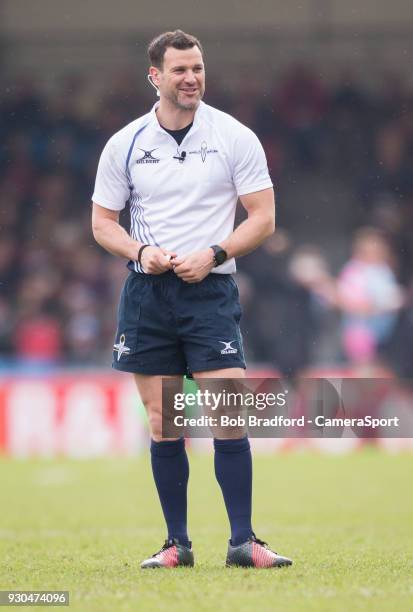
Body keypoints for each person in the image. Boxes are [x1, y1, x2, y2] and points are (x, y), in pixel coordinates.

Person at [92, 30, 292, 570]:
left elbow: (264, 219)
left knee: (228, 411)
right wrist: (140, 252)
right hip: (148, 295)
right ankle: (176, 544)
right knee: (164, 420)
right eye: (180, 70)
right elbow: (102, 224)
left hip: (211, 289)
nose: (192, 78)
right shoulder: (126, 143)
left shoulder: (234, 136)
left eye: (198, 68)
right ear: (155, 77)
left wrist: (214, 251)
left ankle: (244, 542)